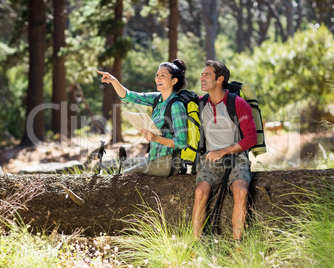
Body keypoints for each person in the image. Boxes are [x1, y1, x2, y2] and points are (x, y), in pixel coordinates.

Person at [192, 60, 257, 240]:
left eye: (207, 75)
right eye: (202, 74)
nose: (202, 78)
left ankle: (237, 246)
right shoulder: (200, 104)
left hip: (237, 158)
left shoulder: (238, 103)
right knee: (200, 192)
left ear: (220, 79)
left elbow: (251, 138)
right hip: (210, 159)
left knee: (241, 191)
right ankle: (195, 244)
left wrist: (223, 151)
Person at [97, 59, 188, 177]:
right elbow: (129, 96)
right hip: (154, 160)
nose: (158, 78)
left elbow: (181, 143)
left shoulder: (176, 105)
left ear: (174, 80)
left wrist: (155, 138)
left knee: (124, 175)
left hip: (167, 163)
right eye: (157, 75)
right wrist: (113, 80)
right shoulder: (157, 98)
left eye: (163, 75)